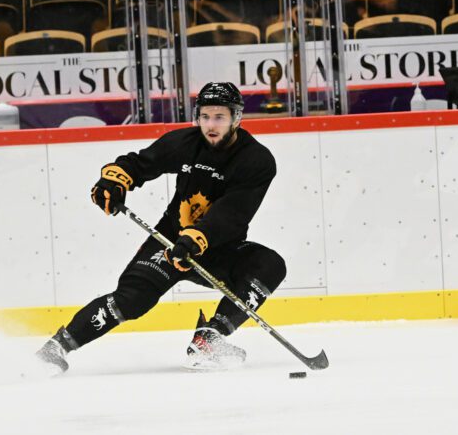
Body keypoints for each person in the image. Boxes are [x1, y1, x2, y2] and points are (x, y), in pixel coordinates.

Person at [36, 82, 286, 373]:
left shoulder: (256, 160)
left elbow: (233, 212)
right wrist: (116, 179)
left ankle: (210, 338)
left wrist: (197, 238)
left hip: (218, 248)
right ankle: (57, 347)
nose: (210, 125)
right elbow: (141, 163)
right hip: (170, 244)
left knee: (269, 265)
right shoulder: (185, 142)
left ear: (236, 118)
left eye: (219, 117)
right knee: (131, 300)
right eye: (205, 116)